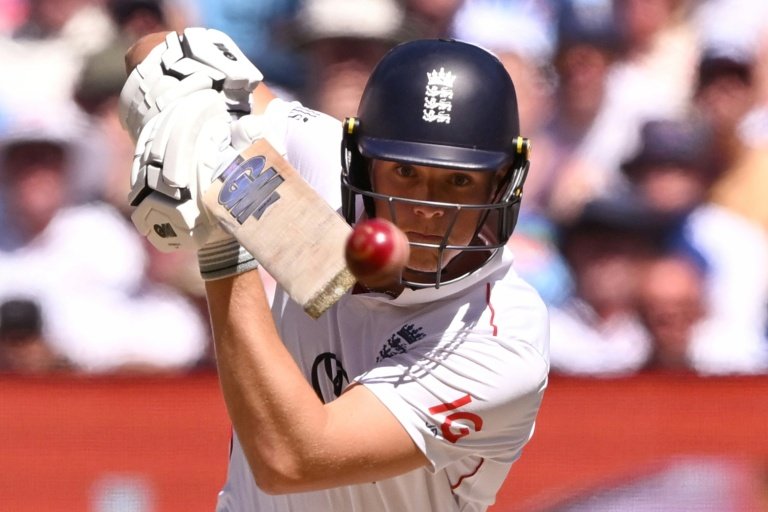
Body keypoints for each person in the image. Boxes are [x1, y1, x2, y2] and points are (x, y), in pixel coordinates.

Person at [122, 28, 549, 511]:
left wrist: (224, 243)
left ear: (500, 184)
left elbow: (291, 459)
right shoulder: (317, 160)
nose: (427, 207)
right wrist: (194, 126)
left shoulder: (501, 341)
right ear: (363, 164)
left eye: (457, 180)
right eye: (406, 171)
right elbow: (163, 51)